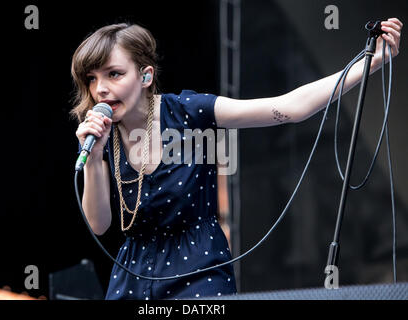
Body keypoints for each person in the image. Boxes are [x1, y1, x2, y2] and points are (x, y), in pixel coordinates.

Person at [71, 19, 402, 300]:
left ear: (144, 76)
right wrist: (94, 157)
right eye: (92, 78)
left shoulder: (188, 111)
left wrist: (370, 62)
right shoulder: (100, 137)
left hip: (198, 268)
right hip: (133, 273)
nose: (100, 88)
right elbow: (99, 224)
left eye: (113, 74)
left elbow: (288, 108)